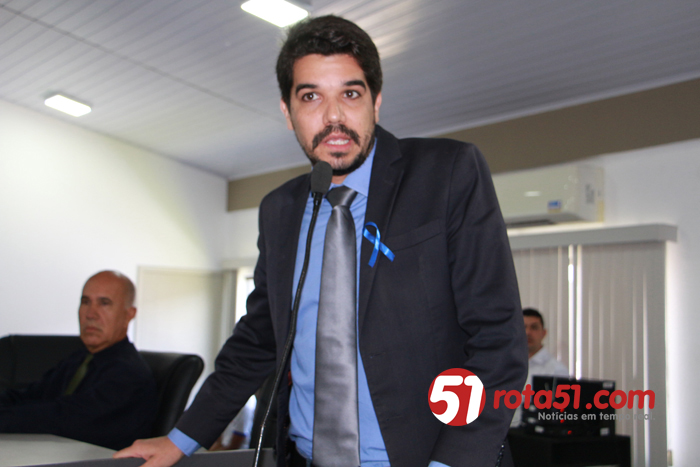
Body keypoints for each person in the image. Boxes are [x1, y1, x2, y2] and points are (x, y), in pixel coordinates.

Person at [116, 15, 526, 467]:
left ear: (376, 102)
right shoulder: (279, 210)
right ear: (287, 112)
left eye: (350, 94)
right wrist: (180, 439)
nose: (334, 117)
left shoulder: (447, 173)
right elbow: (258, 340)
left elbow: (497, 341)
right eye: (311, 96)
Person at [0, 271, 157, 450]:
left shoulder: (129, 375)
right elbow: (30, 396)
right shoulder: (79, 360)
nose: (90, 314)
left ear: (129, 314)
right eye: (85, 302)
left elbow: (62, 418)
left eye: (104, 303)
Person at [511, 308, 568, 427]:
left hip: (531, 433)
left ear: (544, 333)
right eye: (523, 327)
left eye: (534, 327)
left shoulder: (556, 371)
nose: (528, 332)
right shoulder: (508, 366)